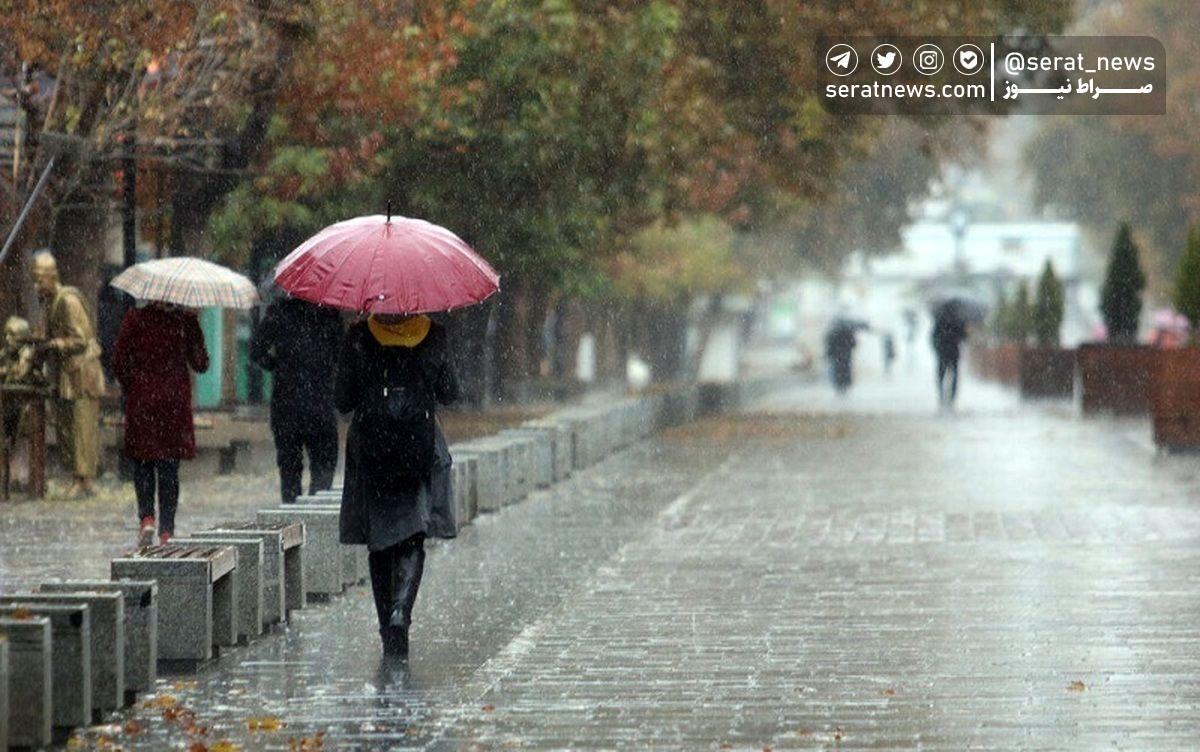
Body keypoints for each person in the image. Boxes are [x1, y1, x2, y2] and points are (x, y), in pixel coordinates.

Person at [335, 312, 459, 659]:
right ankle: (401, 612)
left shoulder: (359, 336)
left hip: (373, 452)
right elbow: (450, 393)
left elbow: (342, 400)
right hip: (416, 449)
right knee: (413, 535)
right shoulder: (434, 335)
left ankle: (386, 631)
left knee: (380, 541)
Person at [112, 302, 209, 546]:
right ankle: (167, 530)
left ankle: (147, 519)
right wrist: (194, 329)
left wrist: (133, 385)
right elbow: (201, 363)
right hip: (173, 403)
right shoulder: (184, 321)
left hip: (142, 400)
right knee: (169, 468)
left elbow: (118, 361)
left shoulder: (134, 318)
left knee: (143, 462)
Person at [250, 297, 344, 503]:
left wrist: (278, 365)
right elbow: (342, 355)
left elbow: (256, 350)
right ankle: (315, 518)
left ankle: (292, 519)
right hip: (320, 402)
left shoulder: (279, 311)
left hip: (287, 403)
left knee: (289, 469)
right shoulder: (330, 314)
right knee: (323, 468)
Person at [31, 252, 106, 498]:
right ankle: (78, 476)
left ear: (52, 277)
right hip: (68, 373)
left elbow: (80, 339)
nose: (36, 285)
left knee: (82, 426)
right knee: (67, 426)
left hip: (82, 372)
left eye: (40, 280)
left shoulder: (68, 301)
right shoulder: (51, 302)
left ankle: (83, 480)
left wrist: (55, 344)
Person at [932, 303, 969, 407]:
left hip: (942, 352)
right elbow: (964, 337)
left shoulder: (939, 319)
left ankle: (941, 395)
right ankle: (952, 398)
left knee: (941, 374)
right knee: (954, 375)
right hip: (953, 352)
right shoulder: (958, 320)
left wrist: (937, 348)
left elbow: (934, 336)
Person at [824, 320, 858, 393]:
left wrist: (829, 353)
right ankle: (845, 384)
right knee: (845, 370)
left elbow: (829, 344)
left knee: (837, 370)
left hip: (836, 356)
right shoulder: (848, 332)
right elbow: (853, 343)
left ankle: (838, 385)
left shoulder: (833, 332)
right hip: (846, 355)